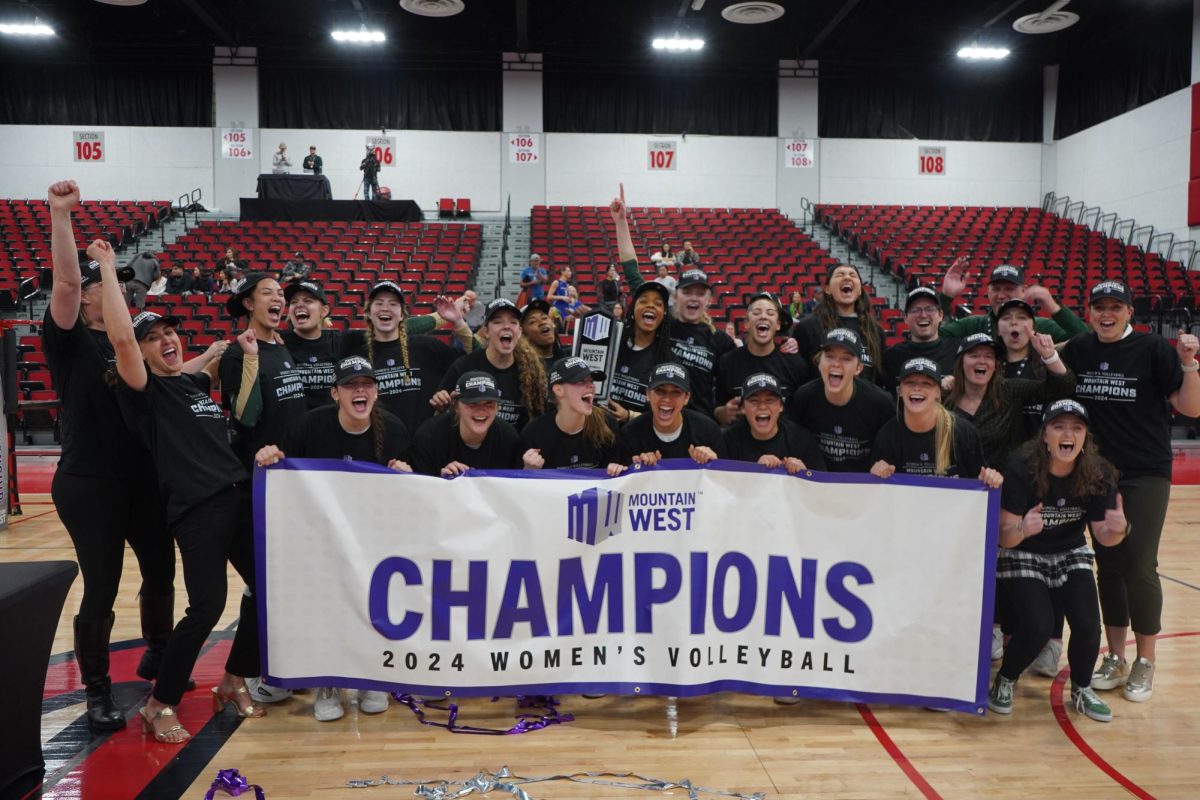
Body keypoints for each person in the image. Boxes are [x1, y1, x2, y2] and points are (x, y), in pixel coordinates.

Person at [92, 240, 263, 745]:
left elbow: (198, 367)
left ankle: (233, 679)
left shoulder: (188, 386)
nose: (168, 340)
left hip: (238, 497)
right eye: (156, 337)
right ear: (139, 352)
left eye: (171, 333)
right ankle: (158, 702)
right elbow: (122, 340)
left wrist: (219, 351)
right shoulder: (143, 392)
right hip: (198, 509)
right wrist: (106, 267)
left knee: (268, 592)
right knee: (207, 608)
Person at [43, 181, 180, 733]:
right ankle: (97, 688)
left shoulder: (138, 344)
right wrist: (61, 217)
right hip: (89, 480)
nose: (112, 288)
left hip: (143, 478)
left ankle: (159, 657)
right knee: (101, 585)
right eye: (106, 285)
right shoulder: (70, 340)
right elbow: (68, 279)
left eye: (120, 285)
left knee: (162, 572)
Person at [1060, 280, 1200, 702]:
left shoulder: (1154, 349)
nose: (1107, 313)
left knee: (1140, 563)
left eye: (1115, 307)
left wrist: (1191, 364)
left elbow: (1191, 408)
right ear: (1088, 312)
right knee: (1110, 566)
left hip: (1145, 472)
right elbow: (1052, 355)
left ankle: (1145, 661)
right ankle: (1116, 658)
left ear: (1128, 313)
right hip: (1097, 474)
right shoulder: (1080, 349)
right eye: (1099, 306)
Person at [255, 355, 412, 721]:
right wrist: (269, 457)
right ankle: (329, 680)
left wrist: (406, 474)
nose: (360, 391)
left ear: (376, 391)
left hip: (373, 535)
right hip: (321, 537)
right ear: (335, 393)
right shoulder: (310, 426)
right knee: (327, 606)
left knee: (373, 602)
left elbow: (409, 494)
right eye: (350, 385)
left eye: (367, 384)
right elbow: (281, 469)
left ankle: (372, 674)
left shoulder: (394, 429)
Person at [989, 399, 1128, 722]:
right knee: (1038, 624)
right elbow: (1003, 535)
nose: (1068, 434)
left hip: (1070, 551)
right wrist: (1022, 528)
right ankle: (1006, 678)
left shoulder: (1098, 472)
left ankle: (1081, 688)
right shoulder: (1021, 466)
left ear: (1085, 438)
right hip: (1023, 550)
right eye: (1059, 426)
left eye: (1076, 428)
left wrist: (1119, 530)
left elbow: (1103, 536)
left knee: (1088, 624)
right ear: (1045, 436)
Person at [611, 186, 735, 418]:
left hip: (699, 422)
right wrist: (621, 223)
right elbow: (631, 271)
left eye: (700, 293)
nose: (694, 298)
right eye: (688, 292)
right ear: (676, 296)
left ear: (709, 300)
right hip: (658, 414)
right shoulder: (661, 318)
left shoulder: (720, 340)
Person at [344, 281, 471, 431]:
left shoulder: (427, 346)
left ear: (402, 315)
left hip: (424, 446)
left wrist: (458, 322)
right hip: (376, 446)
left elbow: (472, 361)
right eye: (379, 303)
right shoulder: (356, 357)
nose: (385, 308)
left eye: (393, 304)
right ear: (368, 313)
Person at [945, 332, 1075, 470]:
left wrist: (1050, 355)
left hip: (999, 484)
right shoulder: (943, 395)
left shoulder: (1008, 390)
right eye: (974, 356)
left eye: (989, 356)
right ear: (961, 362)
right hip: (952, 484)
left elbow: (1063, 387)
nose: (982, 361)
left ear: (995, 365)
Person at [869, 357, 1002, 488]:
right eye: (910, 382)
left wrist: (990, 478)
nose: (917, 388)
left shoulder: (963, 432)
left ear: (938, 392)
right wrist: (876, 473)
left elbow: (980, 483)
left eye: (926, 383)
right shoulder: (888, 434)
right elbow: (877, 493)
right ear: (900, 391)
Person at [787, 329, 894, 473]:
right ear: (819, 363)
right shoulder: (804, 397)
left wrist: (882, 466)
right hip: (816, 484)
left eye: (846, 358)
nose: (836, 364)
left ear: (858, 368)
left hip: (862, 486)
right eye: (829, 356)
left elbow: (889, 452)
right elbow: (795, 444)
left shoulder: (881, 403)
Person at [437, 298, 547, 429]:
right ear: (486, 332)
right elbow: (441, 410)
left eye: (513, 322)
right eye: (497, 322)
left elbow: (536, 423)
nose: (506, 326)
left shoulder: (531, 371)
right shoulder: (463, 366)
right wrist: (442, 404)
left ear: (520, 332)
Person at [715, 291, 809, 426]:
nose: (763, 317)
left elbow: (802, 413)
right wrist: (723, 413)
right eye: (757, 312)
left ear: (778, 324)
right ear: (746, 323)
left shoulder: (795, 364)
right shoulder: (727, 362)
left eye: (770, 313)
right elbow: (717, 408)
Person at [938, 260, 1088, 342]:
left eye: (1009, 289)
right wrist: (946, 296)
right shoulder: (972, 325)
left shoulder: (1042, 326)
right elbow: (929, 338)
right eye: (996, 289)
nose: (1001, 295)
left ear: (1024, 291)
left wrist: (1054, 307)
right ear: (988, 292)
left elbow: (1086, 340)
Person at [412, 371, 525, 476]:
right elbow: (419, 490)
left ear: (497, 408)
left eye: (489, 403)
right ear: (456, 406)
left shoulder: (508, 438)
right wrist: (442, 482)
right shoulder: (429, 437)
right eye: (472, 403)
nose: (481, 410)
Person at [522, 357, 623, 473]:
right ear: (559, 390)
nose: (591, 386)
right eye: (581, 381)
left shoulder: (607, 424)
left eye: (591, 381)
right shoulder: (534, 434)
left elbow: (616, 482)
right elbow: (519, 486)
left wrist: (616, 471)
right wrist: (528, 470)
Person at [616, 362, 725, 466]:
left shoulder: (707, 431)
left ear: (686, 398)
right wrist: (638, 469)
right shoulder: (630, 433)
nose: (667, 399)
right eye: (660, 391)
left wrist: (713, 464)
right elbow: (620, 480)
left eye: (676, 392)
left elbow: (723, 480)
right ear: (648, 394)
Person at [791, 264, 884, 383]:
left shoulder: (875, 330)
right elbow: (798, 375)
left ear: (860, 290)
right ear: (828, 289)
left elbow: (879, 379)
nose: (847, 278)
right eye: (840, 274)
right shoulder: (806, 327)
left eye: (852, 275)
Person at [722, 373, 825, 472]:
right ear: (743, 408)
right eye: (754, 401)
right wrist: (754, 470)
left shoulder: (801, 440)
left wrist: (804, 474)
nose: (762, 406)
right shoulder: (729, 441)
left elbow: (820, 485)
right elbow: (721, 484)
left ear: (781, 406)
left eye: (770, 400)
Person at [607, 281, 673, 422]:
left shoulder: (668, 361)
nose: (650, 305)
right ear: (632, 310)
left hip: (639, 438)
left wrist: (629, 416)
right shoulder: (611, 345)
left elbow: (669, 413)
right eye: (643, 301)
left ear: (664, 314)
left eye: (658, 304)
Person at [880, 286, 960, 394]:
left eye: (930, 309)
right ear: (905, 318)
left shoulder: (959, 351)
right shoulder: (890, 357)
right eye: (915, 310)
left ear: (941, 315)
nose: (923, 315)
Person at [281, 281, 340, 409]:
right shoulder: (278, 342)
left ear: (324, 311)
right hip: (293, 426)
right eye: (293, 302)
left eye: (307, 301)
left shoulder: (339, 341)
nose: (299, 305)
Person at [519, 298, 565, 371]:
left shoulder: (570, 358)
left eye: (544, 318)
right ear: (524, 334)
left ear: (553, 324)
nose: (542, 322)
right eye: (532, 322)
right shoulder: (522, 369)